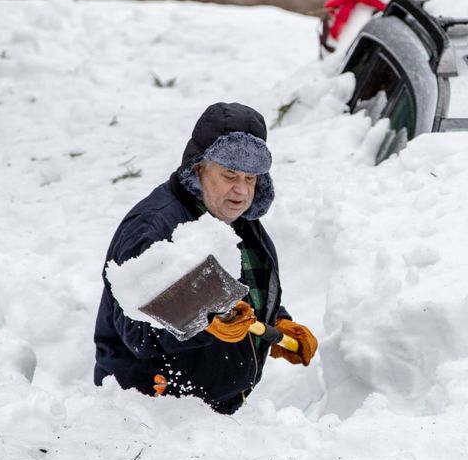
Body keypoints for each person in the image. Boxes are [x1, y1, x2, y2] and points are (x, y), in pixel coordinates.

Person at [93, 102, 317, 413]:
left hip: (211, 415)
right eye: (229, 175)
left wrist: (276, 324)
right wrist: (204, 324)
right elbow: (136, 332)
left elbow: (239, 292)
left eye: (251, 179)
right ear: (199, 167)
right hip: (152, 415)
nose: (241, 191)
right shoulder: (155, 228)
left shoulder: (236, 220)